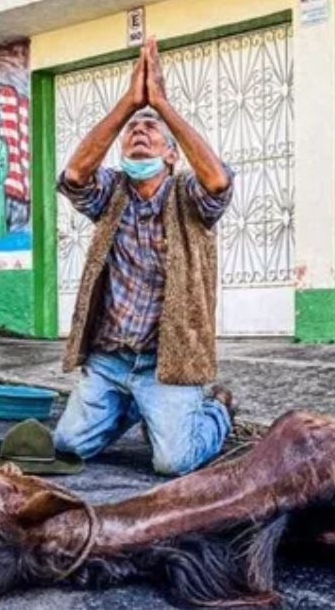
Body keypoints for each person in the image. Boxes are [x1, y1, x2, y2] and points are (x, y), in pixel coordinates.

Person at [53, 35, 235, 476]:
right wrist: (129, 104)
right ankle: (134, 407)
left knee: (174, 462)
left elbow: (218, 183)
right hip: (110, 357)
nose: (140, 130)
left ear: (172, 156)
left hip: (166, 364)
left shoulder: (188, 196)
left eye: (152, 130)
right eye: (134, 129)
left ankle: (217, 412)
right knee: (67, 445)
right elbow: (75, 175)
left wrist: (163, 105)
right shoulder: (112, 191)